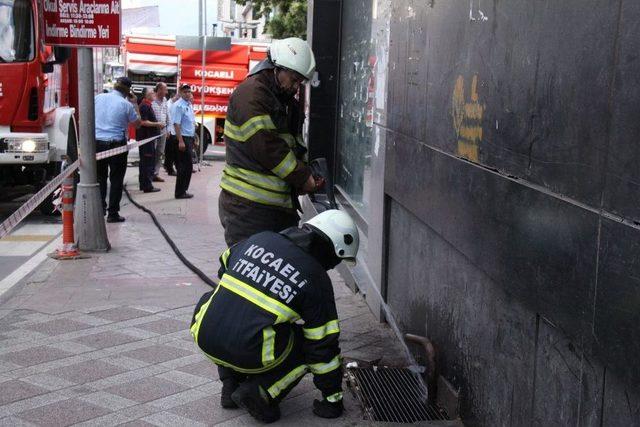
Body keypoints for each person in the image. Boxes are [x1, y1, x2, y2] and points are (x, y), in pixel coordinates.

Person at [191, 209, 359, 423]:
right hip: (247, 348)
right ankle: (259, 393)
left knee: (232, 310)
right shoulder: (316, 280)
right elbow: (323, 346)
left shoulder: (260, 238)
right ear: (331, 250)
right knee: (307, 344)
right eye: (337, 260)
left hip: (205, 332)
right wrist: (332, 399)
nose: (333, 266)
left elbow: (224, 266)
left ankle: (230, 384)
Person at [218, 37, 321, 246]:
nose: (295, 87)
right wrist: (302, 177)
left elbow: (292, 143)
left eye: (299, 82)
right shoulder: (251, 95)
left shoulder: (281, 100)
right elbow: (268, 147)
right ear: (277, 68)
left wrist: (305, 173)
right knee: (246, 273)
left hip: (270, 210)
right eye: (293, 80)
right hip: (247, 210)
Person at [94, 77, 141, 223]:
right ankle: (113, 213)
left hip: (98, 143)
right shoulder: (126, 104)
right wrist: (134, 103)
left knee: (100, 177)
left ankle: (100, 208)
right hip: (117, 145)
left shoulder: (98, 97)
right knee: (116, 180)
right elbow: (137, 124)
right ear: (128, 91)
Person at [136, 88, 164, 193]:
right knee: (147, 163)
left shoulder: (147, 105)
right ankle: (147, 186)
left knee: (146, 162)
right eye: (152, 93)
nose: (154, 94)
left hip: (148, 139)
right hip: (146, 139)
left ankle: (144, 184)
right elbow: (143, 122)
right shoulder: (144, 106)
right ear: (146, 95)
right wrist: (157, 124)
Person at [172, 84, 196, 199]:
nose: (187, 93)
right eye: (185, 91)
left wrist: (194, 138)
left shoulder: (188, 104)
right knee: (184, 167)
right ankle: (180, 192)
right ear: (180, 92)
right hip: (183, 138)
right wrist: (180, 141)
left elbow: (191, 122)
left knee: (188, 167)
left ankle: (183, 190)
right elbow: (176, 124)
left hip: (189, 138)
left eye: (189, 91)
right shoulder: (179, 106)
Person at [151, 82, 170, 182]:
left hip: (163, 130)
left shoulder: (165, 100)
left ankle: (155, 173)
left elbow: (167, 115)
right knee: (151, 152)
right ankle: (149, 173)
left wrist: (168, 129)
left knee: (160, 152)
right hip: (153, 130)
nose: (166, 92)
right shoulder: (152, 101)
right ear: (159, 90)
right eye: (165, 89)